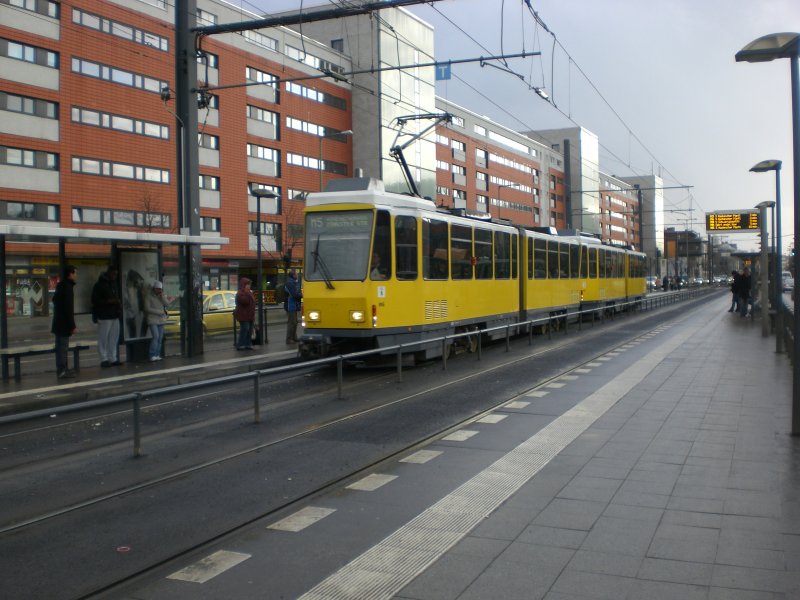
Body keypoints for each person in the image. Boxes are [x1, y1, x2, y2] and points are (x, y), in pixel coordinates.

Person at [91, 265, 123, 367]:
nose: (115, 276)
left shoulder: (114, 284)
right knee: (103, 338)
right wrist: (109, 301)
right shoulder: (99, 285)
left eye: (116, 274)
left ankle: (113, 358)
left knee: (114, 338)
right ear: (108, 272)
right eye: (113, 274)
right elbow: (94, 301)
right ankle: (104, 359)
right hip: (104, 315)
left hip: (114, 314)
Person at [52, 265, 77, 379]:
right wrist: (72, 325)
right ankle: (62, 370)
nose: (76, 275)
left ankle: (63, 369)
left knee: (62, 347)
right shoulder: (67, 287)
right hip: (63, 324)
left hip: (59, 322)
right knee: (63, 348)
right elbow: (68, 308)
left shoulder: (61, 285)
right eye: (75, 273)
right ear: (70, 274)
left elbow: (55, 300)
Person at [144, 281, 168, 361]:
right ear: (154, 288)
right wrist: (159, 312)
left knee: (160, 338)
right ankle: (152, 354)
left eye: (160, 289)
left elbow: (167, 304)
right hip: (153, 319)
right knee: (156, 337)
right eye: (157, 289)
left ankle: (157, 354)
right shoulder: (148, 296)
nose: (159, 290)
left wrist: (162, 297)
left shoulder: (162, 295)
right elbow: (147, 308)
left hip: (161, 320)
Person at [234, 277, 255, 350]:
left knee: (249, 330)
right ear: (243, 285)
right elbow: (245, 301)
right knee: (245, 329)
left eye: (249, 284)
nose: (249, 286)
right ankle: (240, 345)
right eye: (247, 284)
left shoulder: (249, 292)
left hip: (250, 315)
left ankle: (248, 344)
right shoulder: (240, 293)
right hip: (243, 315)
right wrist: (247, 293)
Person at [285, 269, 302, 343]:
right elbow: (294, 294)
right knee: (292, 323)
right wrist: (301, 295)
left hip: (293, 305)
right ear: (293, 275)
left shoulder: (293, 282)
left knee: (294, 322)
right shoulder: (290, 283)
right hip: (290, 305)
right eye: (296, 274)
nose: (297, 275)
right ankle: (289, 338)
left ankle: (294, 337)